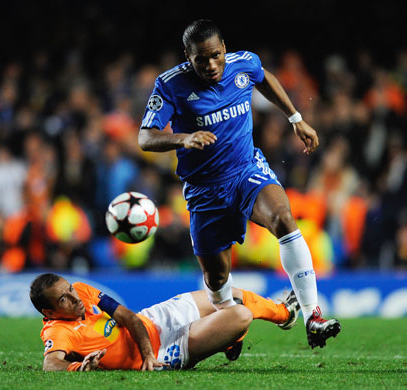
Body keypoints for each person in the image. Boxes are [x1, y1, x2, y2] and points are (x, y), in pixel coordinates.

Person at [138, 19, 340, 349]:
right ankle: (231, 325)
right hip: (204, 189)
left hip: (245, 171)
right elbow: (145, 137)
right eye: (201, 59)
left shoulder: (243, 63)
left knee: (284, 219)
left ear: (224, 49)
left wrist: (296, 118)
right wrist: (183, 138)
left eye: (216, 55)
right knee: (216, 277)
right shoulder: (170, 84)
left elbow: (264, 78)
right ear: (187, 56)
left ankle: (312, 315)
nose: (211, 64)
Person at [29, 273, 300, 371]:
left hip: (152, 319)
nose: (73, 298)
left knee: (225, 295)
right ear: (49, 312)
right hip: (164, 351)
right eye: (63, 299)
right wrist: (77, 367)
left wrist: (144, 347)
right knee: (241, 315)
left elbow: (127, 316)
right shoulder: (58, 330)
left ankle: (283, 314)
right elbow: (50, 362)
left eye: (69, 290)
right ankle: (230, 336)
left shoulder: (82, 291)